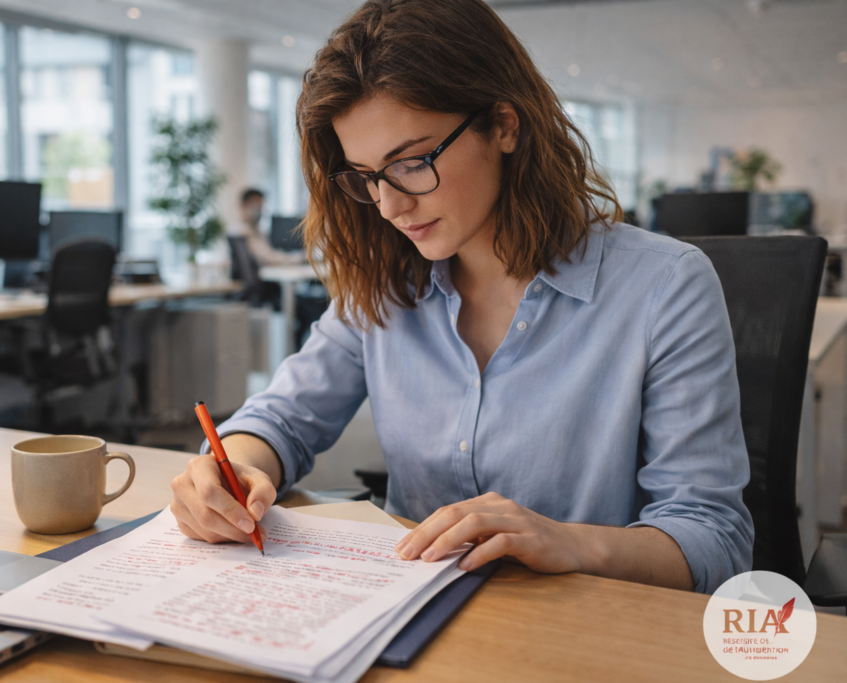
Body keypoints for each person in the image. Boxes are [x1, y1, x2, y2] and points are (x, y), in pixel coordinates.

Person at [171, 0, 753, 595]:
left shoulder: (664, 286)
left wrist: (569, 541)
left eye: (412, 163)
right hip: (404, 620)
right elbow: (281, 419)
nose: (391, 206)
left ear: (504, 124)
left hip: (582, 631)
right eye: (368, 177)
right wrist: (235, 470)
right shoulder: (383, 284)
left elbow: (713, 540)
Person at [235, 188, 306, 266]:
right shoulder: (241, 232)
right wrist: (298, 258)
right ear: (244, 205)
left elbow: (268, 252)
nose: (259, 210)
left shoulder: (256, 231)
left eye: (261, 206)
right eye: (256, 206)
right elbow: (267, 257)